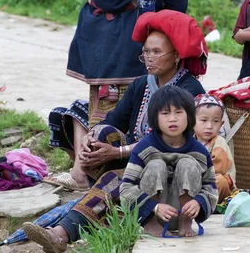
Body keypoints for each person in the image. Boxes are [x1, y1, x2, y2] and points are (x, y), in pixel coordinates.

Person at [46, 10, 207, 190]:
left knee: (110, 183)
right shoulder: (141, 84)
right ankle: (89, 178)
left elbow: (170, 140)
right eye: (146, 52)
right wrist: (88, 137)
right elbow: (114, 120)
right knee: (100, 132)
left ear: (176, 56)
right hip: (131, 153)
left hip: (162, 161)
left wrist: (117, 152)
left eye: (157, 52)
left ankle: (101, 183)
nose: (149, 58)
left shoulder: (189, 90)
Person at [120, 85, 218, 237]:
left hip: (183, 212)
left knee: (188, 163)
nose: (173, 118)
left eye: (179, 112)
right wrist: (154, 207)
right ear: (155, 118)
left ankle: (185, 221)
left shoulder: (199, 151)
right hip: (150, 211)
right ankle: (151, 223)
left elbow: (211, 187)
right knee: (156, 164)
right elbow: (126, 188)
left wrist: (198, 202)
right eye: (165, 113)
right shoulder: (144, 148)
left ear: (190, 116)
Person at [193, 93, 236, 203]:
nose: (209, 126)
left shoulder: (219, 142)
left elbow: (219, 168)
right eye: (203, 120)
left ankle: (204, 203)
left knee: (219, 181)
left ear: (221, 124)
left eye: (215, 121)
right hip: (196, 182)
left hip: (214, 181)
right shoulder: (190, 142)